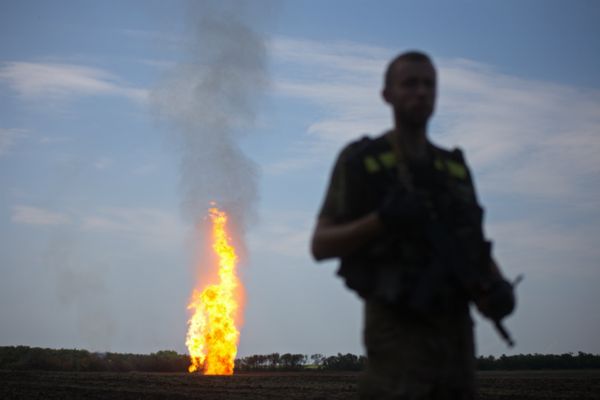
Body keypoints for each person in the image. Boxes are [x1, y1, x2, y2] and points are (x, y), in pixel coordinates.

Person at [310, 51, 513, 399]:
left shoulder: (454, 170)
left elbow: (473, 246)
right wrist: (380, 221)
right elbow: (321, 244)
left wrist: (496, 287)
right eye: (409, 83)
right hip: (397, 340)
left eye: (429, 84)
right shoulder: (363, 162)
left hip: (456, 343)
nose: (420, 92)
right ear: (387, 94)